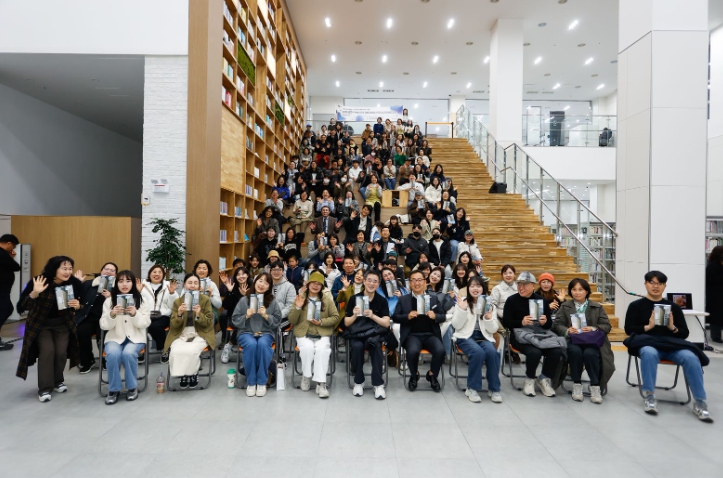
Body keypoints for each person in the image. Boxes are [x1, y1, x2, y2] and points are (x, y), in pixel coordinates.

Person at [623, 271, 712, 421]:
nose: (656, 286)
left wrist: (672, 327)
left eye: (660, 283)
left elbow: (684, 333)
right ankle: (649, 396)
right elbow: (629, 329)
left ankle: (700, 402)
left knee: (691, 357)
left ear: (665, 286)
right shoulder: (636, 306)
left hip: (672, 346)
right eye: (652, 282)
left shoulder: (674, 307)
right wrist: (648, 327)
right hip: (648, 343)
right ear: (645, 284)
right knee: (649, 353)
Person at [16, 256, 82, 402]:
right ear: (54, 269)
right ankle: (45, 388)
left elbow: (81, 303)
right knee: (47, 351)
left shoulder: (73, 283)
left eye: (70, 269)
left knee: (61, 352)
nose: (68, 272)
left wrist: (78, 305)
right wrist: (35, 293)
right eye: (64, 268)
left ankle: (58, 381)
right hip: (41, 325)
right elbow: (22, 306)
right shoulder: (39, 281)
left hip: (63, 324)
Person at [502, 271, 563, 398]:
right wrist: (521, 322)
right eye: (519, 284)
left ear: (533, 285)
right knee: (534, 352)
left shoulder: (541, 300)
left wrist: (545, 322)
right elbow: (506, 322)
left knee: (556, 351)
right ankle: (529, 379)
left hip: (540, 334)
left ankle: (543, 378)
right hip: (519, 335)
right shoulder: (512, 300)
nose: (521, 287)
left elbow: (548, 324)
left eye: (525, 284)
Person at [553, 278, 614, 404]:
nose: (577, 292)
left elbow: (607, 326)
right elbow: (557, 324)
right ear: (570, 291)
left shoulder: (597, 307)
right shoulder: (565, 306)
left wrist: (593, 328)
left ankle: (595, 386)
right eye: (574, 289)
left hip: (592, 340)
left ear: (586, 291)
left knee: (590, 353)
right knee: (575, 352)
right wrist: (567, 330)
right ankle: (577, 384)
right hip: (573, 339)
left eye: (580, 290)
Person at [100, 270, 151, 404]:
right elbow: (103, 325)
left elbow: (145, 323)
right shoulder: (109, 301)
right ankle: (114, 389)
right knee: (113, 354)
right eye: (121, 281)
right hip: (114, 338)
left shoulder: (141, 300)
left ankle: (132, 387)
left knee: (128, 354)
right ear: (116, 283)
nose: (124, 284)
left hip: (136, 338)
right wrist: (112, 314)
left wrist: (135, 314)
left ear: (133, 283)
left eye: (128, 281)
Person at [288, 271, 340, 398]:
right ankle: (306, 376)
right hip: (304, 333)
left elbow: (335, 317)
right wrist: (298, 307)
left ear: (322, 286)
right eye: (313, 283)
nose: (315, 286)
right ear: (308, 283)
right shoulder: (300, 297)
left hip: (322, 333)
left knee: (322, 350)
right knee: (307, 348)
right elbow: (292, 320)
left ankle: (321, 383)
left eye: (319, 284)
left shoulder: (327, 299)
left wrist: (322, 322)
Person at [452, 276, 502, 403]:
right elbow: (456, 325)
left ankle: (494, 389)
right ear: (468, 288)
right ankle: (472, 388)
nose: (475, 289)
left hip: (484, 337)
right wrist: (462, 310)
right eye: (472, 286)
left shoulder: (490, 305)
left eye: (478, 286)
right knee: (477, 352)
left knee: (492, 353)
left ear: (483, 288)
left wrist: (488, 318)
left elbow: (493, 329)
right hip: (465, 337)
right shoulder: (462, 302)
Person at [393, 271, 445, 391]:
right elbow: (395, 317)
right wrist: (407, 316)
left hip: (430, 335)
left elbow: (443, 316)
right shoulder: (403, 299)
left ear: (425, 282)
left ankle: (432, 375)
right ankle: (414, 374)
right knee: (412, 351)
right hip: (412, 335)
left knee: (440, 350)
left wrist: (435, 316)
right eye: (413, 280)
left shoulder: (433, 298)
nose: (416, 283)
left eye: (419, 280)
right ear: (410, 283)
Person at [232, 273, 283, 397]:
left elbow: (278, 320)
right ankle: (251, 382)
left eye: (266, 283)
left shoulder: (272, 301)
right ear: (255, 282)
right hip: (246, 332)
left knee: (263, 345)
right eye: (260, 281)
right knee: (251, 345)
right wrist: (246, 316)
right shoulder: (244, 300)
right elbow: (235, 319)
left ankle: (261, 381)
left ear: (269, 287)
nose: (262, 284)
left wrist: (266, 315)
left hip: (265, 333)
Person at [344, 269, 391, 399]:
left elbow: (386, 323)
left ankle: (378, 384)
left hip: (374, 333)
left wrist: (373, 316)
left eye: (375, 281)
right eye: (369, 280)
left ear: (378, 284)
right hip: (357, 334)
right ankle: (359, 381)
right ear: (364, 281)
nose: (371, 283)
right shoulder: (354, 298)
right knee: (357, 347)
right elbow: (346, 323)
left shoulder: (382, 300)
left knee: (376, 346)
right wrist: (354, 315)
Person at [165, 273, 215, 389]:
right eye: (190, 283)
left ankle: (193, 372)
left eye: (195, 283)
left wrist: (199, 314)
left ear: (199, 286)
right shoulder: (178, 302)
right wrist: (179, 314)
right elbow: (174, 325)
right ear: (184, 284)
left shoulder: (205, 300)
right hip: (181, 333)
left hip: (200, 332)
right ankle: (183, 374)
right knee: (176, 351)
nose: (192, 286)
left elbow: (208, 322)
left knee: (192, 350)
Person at [73, 262, 118, 373]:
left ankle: (106, 360)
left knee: (102, 335)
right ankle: (87, 361)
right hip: (88, 317)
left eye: (112, 270)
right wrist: (77, 284)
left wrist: (111, 298)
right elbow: (75, 298)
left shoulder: (118, 287)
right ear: (101, 271)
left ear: (116, 274)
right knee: (81, 332)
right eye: (106, 269)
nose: (108, 271)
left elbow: (121, 305)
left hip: (107, 318)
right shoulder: (89, 284)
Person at [141, 265, 179, 364]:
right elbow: (137, 304)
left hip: (163, 315)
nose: (157, 274)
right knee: (139, 325)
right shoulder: (142, 286)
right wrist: (138, 292)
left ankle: (164, 349)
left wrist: (172, 294)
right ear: (150, 273)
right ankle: (140, 350)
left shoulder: (168, 286)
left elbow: (175, 305)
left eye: (159, 272)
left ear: (163, 275)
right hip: (146, 314)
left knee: (154, 326)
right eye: (154, 272)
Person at [0, 234, 20, 350]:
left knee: (7, 310)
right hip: (2, 290)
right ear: (8, 243)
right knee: (5, 311)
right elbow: (16, 267)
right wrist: (11, 257)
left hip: (3, 290)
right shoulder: (2, 254)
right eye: (13, 246)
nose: (13, 249)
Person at [705, 245, 723, 343]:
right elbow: (710, 280)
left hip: (718, 294)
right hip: (715, 295)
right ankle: (716, 336)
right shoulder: (712, 266)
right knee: (716, 316)